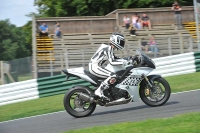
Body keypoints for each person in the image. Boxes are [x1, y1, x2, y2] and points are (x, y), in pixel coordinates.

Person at [89, 33, 132, 100]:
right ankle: (98, 91)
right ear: (116, 41)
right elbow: (112, 62)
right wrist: (126, 62)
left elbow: (115, 58)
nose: (122, 43)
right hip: (95, 67)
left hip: (96, 66)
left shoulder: (108, 48)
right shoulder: (108, 48)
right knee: (113, 76)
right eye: (121, 42)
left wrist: (127, 59)